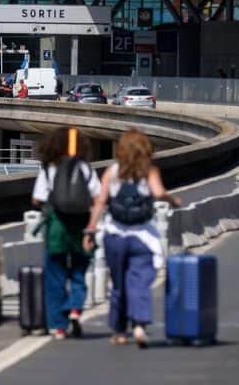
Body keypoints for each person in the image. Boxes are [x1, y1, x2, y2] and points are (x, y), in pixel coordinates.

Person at [85, 129, 181, 348]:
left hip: (115, 235)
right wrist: (172, 199)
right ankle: (138, 324)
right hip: (143, 237)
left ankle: (119, 331)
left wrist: (90, 229)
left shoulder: (112, 171)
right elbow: (158, 194)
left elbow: (100, 202)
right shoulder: (149, 171)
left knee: (118, 284)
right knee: (139, 282)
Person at [32, 127, 101, 340]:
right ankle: (74, 309)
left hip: (56, 226)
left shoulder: (48, 169)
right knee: (79, 270)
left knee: (55, 275)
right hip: (80, 225)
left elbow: (37, 199)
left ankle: (59, 326)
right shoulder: (84, 168)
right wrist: (91, 227)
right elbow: (98, 198)